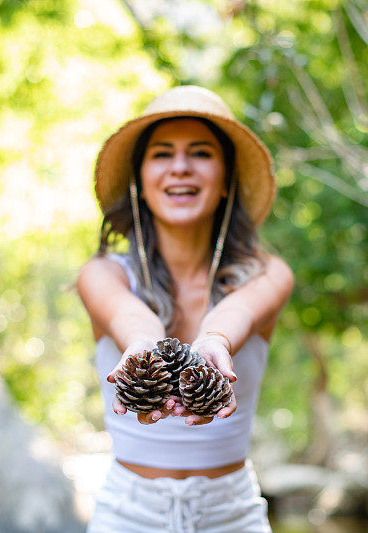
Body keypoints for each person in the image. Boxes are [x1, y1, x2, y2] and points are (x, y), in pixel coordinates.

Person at [77, 85, 294, 533]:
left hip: (233, 515)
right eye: (161, 154)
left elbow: (236, 314)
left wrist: (214, 341)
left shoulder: (269, 274)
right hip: (126, 515)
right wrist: (145, 345)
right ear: (139, 177)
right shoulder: (102, 274)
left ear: (226, 179)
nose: (180, 167)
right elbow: (128, 316)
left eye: (200, 153)